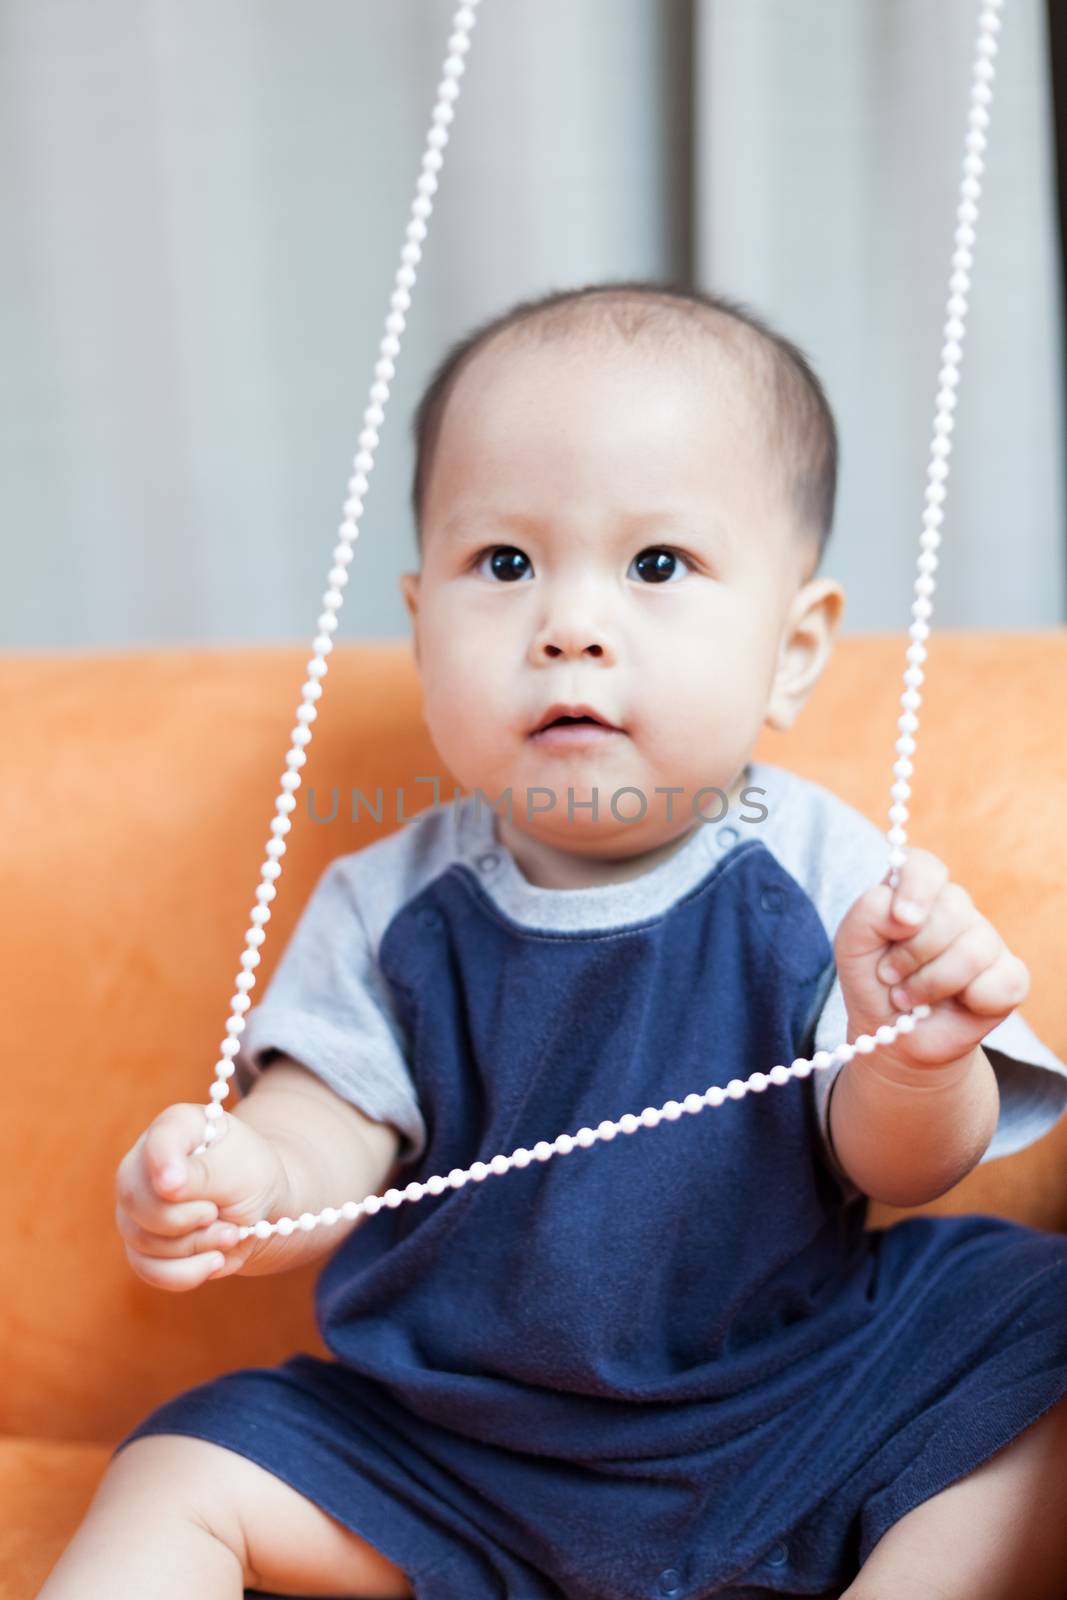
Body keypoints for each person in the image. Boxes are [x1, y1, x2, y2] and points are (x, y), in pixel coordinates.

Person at [39, 282, 1067, 1600]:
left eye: (657, 566)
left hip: (795, 1407)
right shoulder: (385, 902)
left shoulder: (833, 876)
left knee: (1037, 1330)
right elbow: (328, 1131)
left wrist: (918, 1066)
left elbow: (905, 1168)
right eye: (506, 564)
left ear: (794, 648)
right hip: (457, 1454)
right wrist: (243, 1178)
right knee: (177, 1469)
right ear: (421, 629)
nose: (570, 625)